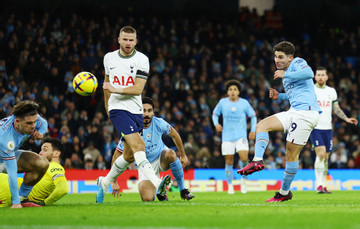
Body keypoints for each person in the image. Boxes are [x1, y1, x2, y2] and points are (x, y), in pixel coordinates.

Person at [238, 41, 321, 202]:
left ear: (290, 57)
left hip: (307, 113)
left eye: (281, 57)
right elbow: (295, 94)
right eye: (275, 56)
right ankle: (257, 161)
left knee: (291, 154)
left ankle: (284, 192)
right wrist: (279, 95)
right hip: (294, 111)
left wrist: (286, 74)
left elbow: (310, 74)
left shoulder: (298, 63)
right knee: (262, 125)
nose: (277, 60)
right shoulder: (285, 73)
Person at [97, 26, 170, 203]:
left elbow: (138, 88)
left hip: (135, 110)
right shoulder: (109, 58)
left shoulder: (142, 59)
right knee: (140, 145)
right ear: (119, 40)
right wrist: (108, 108)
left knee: (129, 155)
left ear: (136, 41)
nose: (128, 43)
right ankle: (157, 181)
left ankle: (104, 182)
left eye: (131, 40)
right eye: (125, 39)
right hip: (118, 109)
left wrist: (115, 89)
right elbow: (106, 84)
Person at [111, 97, 195, 201]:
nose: (146, 114)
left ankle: (183, 190)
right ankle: (160, 192)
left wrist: (183, 155)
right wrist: (113, 180)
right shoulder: (131, 129)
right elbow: (117, 154)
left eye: (149, 110)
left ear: (153, 112)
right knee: (147, 199)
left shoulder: (159, 123)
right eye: (143, 110)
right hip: (144, 166)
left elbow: (175, 135)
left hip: (161, 158)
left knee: (171, 153)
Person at [310, 67, 358, 194]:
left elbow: (336, 109)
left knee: (325, 158)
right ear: (315, 77)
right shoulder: (311, 90)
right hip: (315, 127)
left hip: (328, 129)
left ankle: (323, 185)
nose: (320, 77)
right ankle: (318, 185)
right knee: (320, 154)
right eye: (318, 75)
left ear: (327, 77)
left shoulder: (331, 91)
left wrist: (346, 119)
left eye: (322, 75)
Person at [0, 100, 49, 208]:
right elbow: (12, 173)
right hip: (4, 159)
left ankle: (22, 198)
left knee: (42, 163)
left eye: (34, 122)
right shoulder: (5, 138)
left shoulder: (29, 118)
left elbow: (44, 123)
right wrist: (15, 203)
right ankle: (17, 201)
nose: (33, 126)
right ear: (17, 121)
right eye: (29, 123)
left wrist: (41, 132)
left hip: (7, 156)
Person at [212, 79, 257, 194]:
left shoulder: (244, 103)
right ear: (227, 92)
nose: (232, 91)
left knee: (244, 158)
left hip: (241, 136)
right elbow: (214, 114)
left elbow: (253, 116)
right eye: (230, 89)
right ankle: (230, 185)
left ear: (238, 92)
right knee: (229, 160)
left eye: (235, 89)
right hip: (227, 137)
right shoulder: (222, 102)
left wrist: (252, 130)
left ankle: (243, 182)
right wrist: (216, 124)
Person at [0, 137, 68, 207]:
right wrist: (44, 203)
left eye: (45, 150)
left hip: (6, 188)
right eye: (41, 150)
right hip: (8, 189)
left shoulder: (54, 166)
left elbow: (63, 189)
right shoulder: (45, 167)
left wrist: (44, 202)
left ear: (56, 153)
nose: (40, 153)